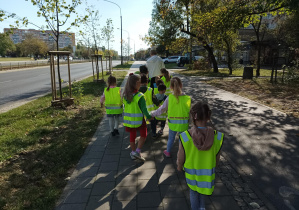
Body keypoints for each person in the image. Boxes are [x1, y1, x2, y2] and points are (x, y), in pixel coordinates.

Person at [177, 101, 224, 210]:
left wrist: (179, 166)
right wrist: (215, 165)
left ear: (193, 116)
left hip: (192, 174)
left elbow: (181, 156)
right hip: (207, 174)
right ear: (208, 116)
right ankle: (202, 208)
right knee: (203, 192)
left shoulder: (185, 136)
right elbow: (217, 157)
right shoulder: (217, 137)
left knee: (193, 193)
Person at [151, 77, 191, 157]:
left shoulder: (169, 98)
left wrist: (152, 113)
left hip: (172, 124)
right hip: (184, 124)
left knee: (171, 138)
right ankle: (182, 154)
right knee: (182, 140)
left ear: (171, 87)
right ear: (181, 85)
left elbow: (161, 109)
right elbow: (190, 112)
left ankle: (168, 152)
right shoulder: (187, 98)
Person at [123, 73, 153, 161]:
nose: (140, 84)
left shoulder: (125, 96)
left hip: (129, 121)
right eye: (139, 82)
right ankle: (138, 151)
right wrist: (149, 117)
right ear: (136, 83)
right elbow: (144, 109)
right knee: (144, 135)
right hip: (140, 120)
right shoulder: (140, 96)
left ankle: (133, 152)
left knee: (132, 135)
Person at [139, 74, 159, 139]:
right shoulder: (150, 90)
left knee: (142, 124)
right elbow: (154, 99)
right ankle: (154, 134)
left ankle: (143, 136)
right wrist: (158, 104)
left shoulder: (137, 91)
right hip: (151, 111)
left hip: (141, 112)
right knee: (153, 123)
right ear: (147, 82)